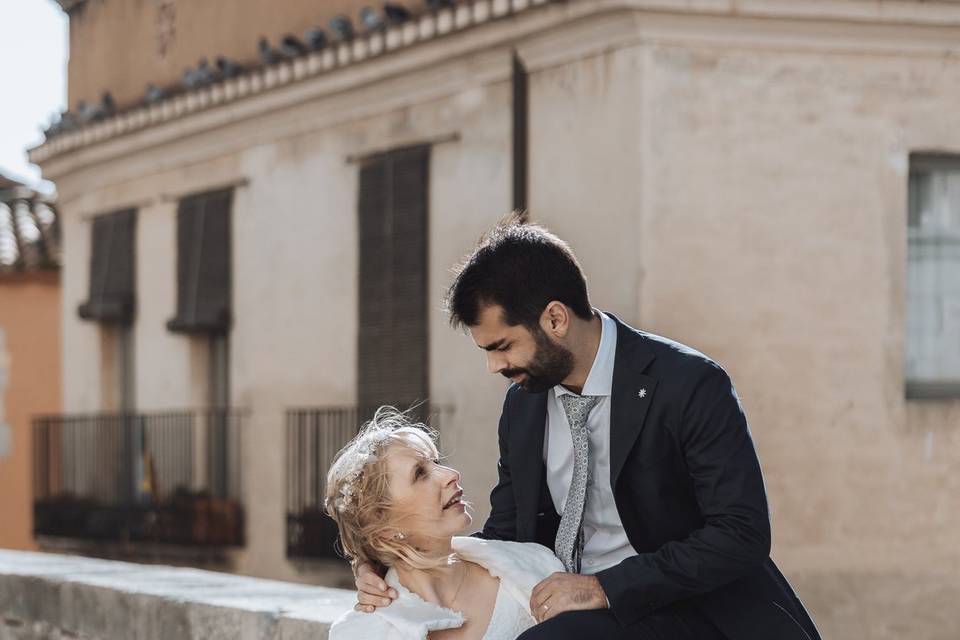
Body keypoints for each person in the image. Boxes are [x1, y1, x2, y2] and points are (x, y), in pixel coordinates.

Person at [355, 214, 821, 639]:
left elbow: (742, 532)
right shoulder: (523, 406)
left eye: (502, 346)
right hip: (582, 614)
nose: (495, 367)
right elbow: (508, 534)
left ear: (555, 319)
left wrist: (604, 587)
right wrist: (385, 564)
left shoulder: (690, 382)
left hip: (697, 611)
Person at [325, 407, 565, 640]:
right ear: (385, 529)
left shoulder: (533, 567)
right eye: (420, 474)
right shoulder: (365, 632)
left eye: (436, 463)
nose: (451, 474)